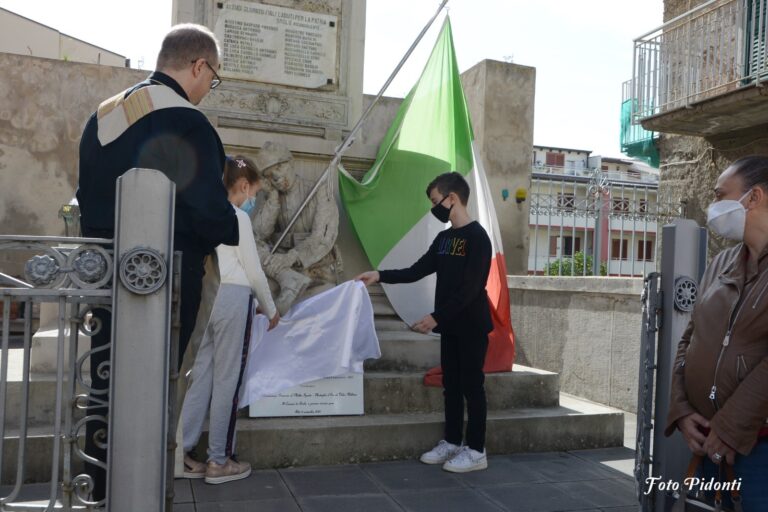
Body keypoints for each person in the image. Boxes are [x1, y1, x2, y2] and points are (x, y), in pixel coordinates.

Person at [76, 24, 239, 500]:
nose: (210, 88)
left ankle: (98, 489)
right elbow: (209, 212)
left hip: (105, 273)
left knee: (105, 387)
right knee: (154, 390)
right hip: (167, 279)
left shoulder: (103, 115)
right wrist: (231, 227)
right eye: (214, 77)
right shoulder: (187, 122)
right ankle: (142, 495)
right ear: (198, 66)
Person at [356, 172, 493, 473]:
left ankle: (476, 450)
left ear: (452, 198)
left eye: (435, 201)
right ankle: (452, 441)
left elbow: (471, 290)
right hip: (450, 326)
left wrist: (436, 317)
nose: (434, 207)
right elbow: (417, 270)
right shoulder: (444, 239)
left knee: (472, 386)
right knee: (451, 386)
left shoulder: (478, 238)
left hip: (471, 325)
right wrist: (380, 275)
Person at [665, 156, 768, 510]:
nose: (712, 207)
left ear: (753, 198)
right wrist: (679, 408)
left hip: (757, 450)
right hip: (707, 442)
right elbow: (690, 338)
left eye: (720, 195)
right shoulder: (721, 263)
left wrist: (729, 427)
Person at [181, 156, 279, 484]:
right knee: (227, 380)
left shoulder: (206, 212)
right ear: (242, 185)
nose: (254, 199)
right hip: (234, 296)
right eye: (255, 192)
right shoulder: (237, 217)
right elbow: (252, 269)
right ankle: (219, 460)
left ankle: (181, 451)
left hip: (208, 296)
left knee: (203, 376)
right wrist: (271, 307)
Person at [251, 141, 340, 315]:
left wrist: (292, 257)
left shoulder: (319, 190)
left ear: (291, 163)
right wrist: (273, 199)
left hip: (316, 272)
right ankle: (289, 283)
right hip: (282, 274)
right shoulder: (271, 197)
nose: (275, 177)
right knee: (256, 293)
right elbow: (258, 235)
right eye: (268, 175)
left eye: (279, 167)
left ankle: (293, 286)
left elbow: (323, 237)